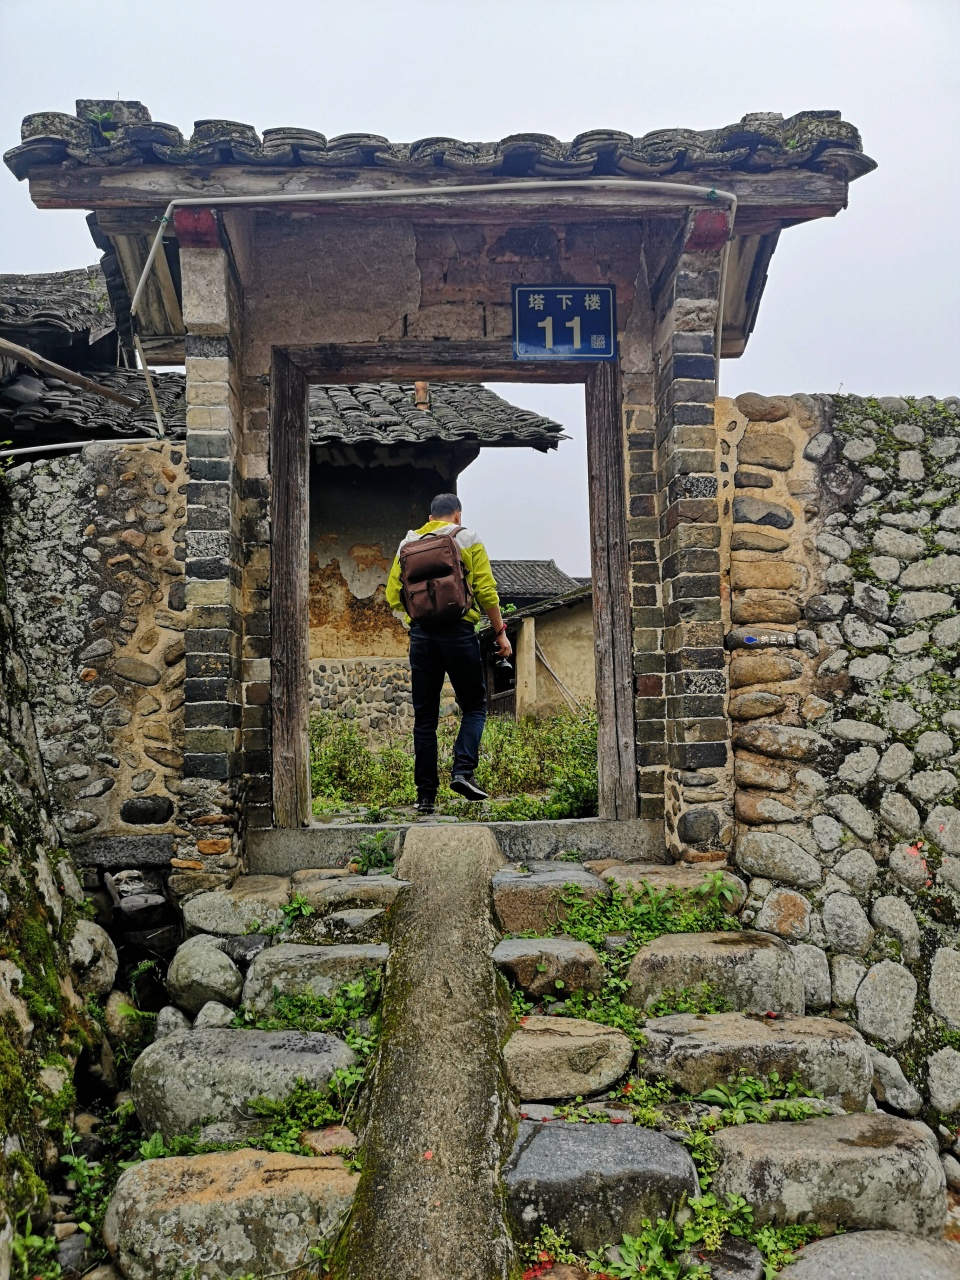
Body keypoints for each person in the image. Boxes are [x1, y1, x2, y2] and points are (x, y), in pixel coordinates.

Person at [385, 493, 512, 814]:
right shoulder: (467, 537)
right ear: (457, 515)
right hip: (458, 633)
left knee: (425, 719)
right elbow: (485, 589)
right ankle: (462, 772)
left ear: (430, 518)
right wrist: (500, 633)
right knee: (474, 707)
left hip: (423, 637)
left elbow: (392, 595)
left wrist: (417, 621)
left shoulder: (407, 544)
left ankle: (425, 797)